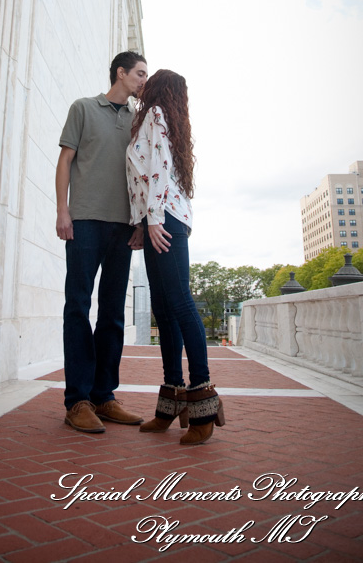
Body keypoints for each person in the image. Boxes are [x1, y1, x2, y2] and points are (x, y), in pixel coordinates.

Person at [126, 69, 225, 446]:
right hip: (160, 217)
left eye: (148, 79)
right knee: (164, 309)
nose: (143, 83)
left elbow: (159, 169)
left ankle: (203, 400)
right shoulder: (163, 119)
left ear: (158, 89)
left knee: (180, 303)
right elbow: (146, 178)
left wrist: (152, 219)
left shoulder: (156, 114)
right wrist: (141, 223)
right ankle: (173, 400)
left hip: (164, 218)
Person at [56, 51, 148, 432]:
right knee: (78, 306)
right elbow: (65, 161)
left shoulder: (139, 121)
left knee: (112, 312)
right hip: (84, 222)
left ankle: (104, 396)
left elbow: (142, 174)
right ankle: (77, 400)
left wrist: (139, 222)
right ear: (120, 73)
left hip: (123, 228)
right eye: (140, 73)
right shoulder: (83, 108)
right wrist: (63, 210)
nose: (144, 80)